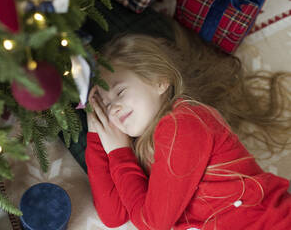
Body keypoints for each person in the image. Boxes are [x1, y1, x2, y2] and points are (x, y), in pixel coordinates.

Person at [85, 23, 291, 230]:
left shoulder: (182, 123)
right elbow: (113, 215)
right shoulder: (139, 149)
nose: (114, 109)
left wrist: (118, 152)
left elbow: (152, 223)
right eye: (106, 105)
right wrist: (97, 132)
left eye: (120, 92)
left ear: (160, 81)